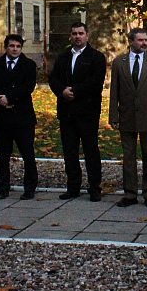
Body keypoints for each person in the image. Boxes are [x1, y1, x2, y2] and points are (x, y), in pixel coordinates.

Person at [48, 21, 107, 201]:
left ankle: (94, 188)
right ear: (70, 36)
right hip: (66, 112)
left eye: (81, 33)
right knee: (69, 151)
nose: (77, 36)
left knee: (91, 150)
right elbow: (53, 78)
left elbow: (96, 82)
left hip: (87, 112)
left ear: (87, 35)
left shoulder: (96, 57)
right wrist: (61, 91)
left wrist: (74, 91)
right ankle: (73, 186)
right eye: (74, 33)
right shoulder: (63, 56)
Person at [109, 28, 147, 208]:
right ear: (131, 41)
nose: (144, 43)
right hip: (126, 117)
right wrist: (113, 115)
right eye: (140, 40)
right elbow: (114, 92)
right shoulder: (119, 63)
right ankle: (130, 193)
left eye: (145, 40)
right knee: (128, 157)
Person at [0, 34, 38, 200]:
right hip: (1, 115)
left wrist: (10, 97)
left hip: (22, 115)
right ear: (6, 47)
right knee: (3, 155)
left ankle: (29, 187)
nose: (15, 49)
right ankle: (3, 187)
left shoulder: (29, 65)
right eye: (11, 46)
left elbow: (28, 86)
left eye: (18, 46)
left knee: (27, 154)